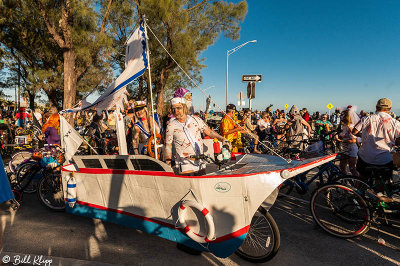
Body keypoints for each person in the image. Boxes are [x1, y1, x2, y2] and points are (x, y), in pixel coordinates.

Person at [165, 97, 229, 175]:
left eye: (178, 108)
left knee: (201, 184)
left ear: (184, 107)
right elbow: (168, 146)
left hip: (200, 160)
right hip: (185, 163)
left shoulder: (196, 120)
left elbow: (209, 132)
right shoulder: (171, 126)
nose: (176, 111)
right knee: (188, 185)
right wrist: (168, 166)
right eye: (173, 109)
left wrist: (222, 139)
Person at [352, 98, 400, 180]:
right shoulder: (395, 123)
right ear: (390, 109)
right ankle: (378, 191)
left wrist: (363, 135)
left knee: (362, 179)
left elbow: (354, 131)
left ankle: (358, 192)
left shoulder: (366, 119)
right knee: (381, 183)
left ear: (376, 107)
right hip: (384, 159)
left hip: (365, 157)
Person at [336, 107, 359, 176]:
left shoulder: (350, 127)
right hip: (344, 149)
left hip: (351, 149)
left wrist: (341, 140)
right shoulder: (344, 126)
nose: (341, 116)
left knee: (352, 169)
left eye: (343, 115)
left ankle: (357, 184)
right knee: (342, 167)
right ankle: (344, 180)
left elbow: (353, 140)